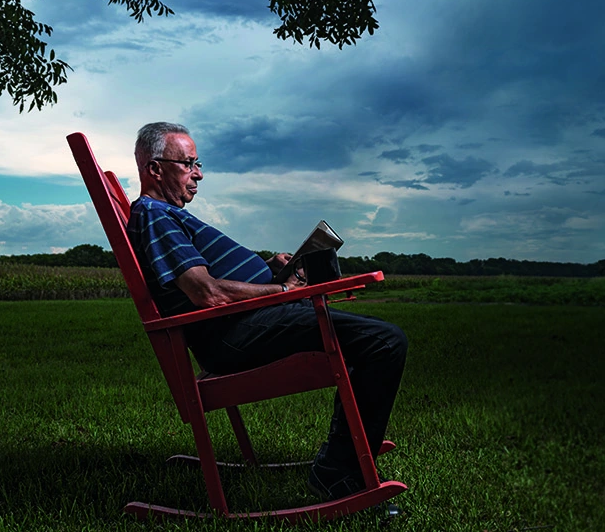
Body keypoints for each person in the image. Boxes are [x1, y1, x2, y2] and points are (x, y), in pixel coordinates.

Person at [126, 121, 408, 508]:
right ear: (154, 168)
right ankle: (338, 472)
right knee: (383, 341)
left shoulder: (168, 215)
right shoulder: (155, 215)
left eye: (198, 162)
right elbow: (206, 292)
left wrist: (268, 266)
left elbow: (215, 277)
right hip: (234, 333)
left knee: (375, 336)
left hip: (247, 320)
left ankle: (344, 458)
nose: (199, 173)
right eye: (188, 163)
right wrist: (282, 289)